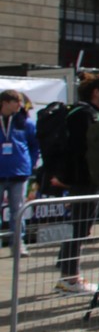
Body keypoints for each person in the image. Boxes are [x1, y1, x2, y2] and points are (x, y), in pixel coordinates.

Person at [54, 74, 99, 293]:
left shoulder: (89, 113)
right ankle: (70, 278)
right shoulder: (84, 115)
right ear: (96, 92)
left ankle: (68, 271)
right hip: (85, 180)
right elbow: (85, 149)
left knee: (81, 228)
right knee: (78, 228)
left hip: (90, 179)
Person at [0, 89, 39, 257]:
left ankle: (18, 245)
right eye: (16, 101)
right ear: (5, 103)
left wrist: (29, 163)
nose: (20, 105)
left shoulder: (25, 122)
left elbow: (34, 145)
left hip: (19, 173)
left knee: (18, 211)